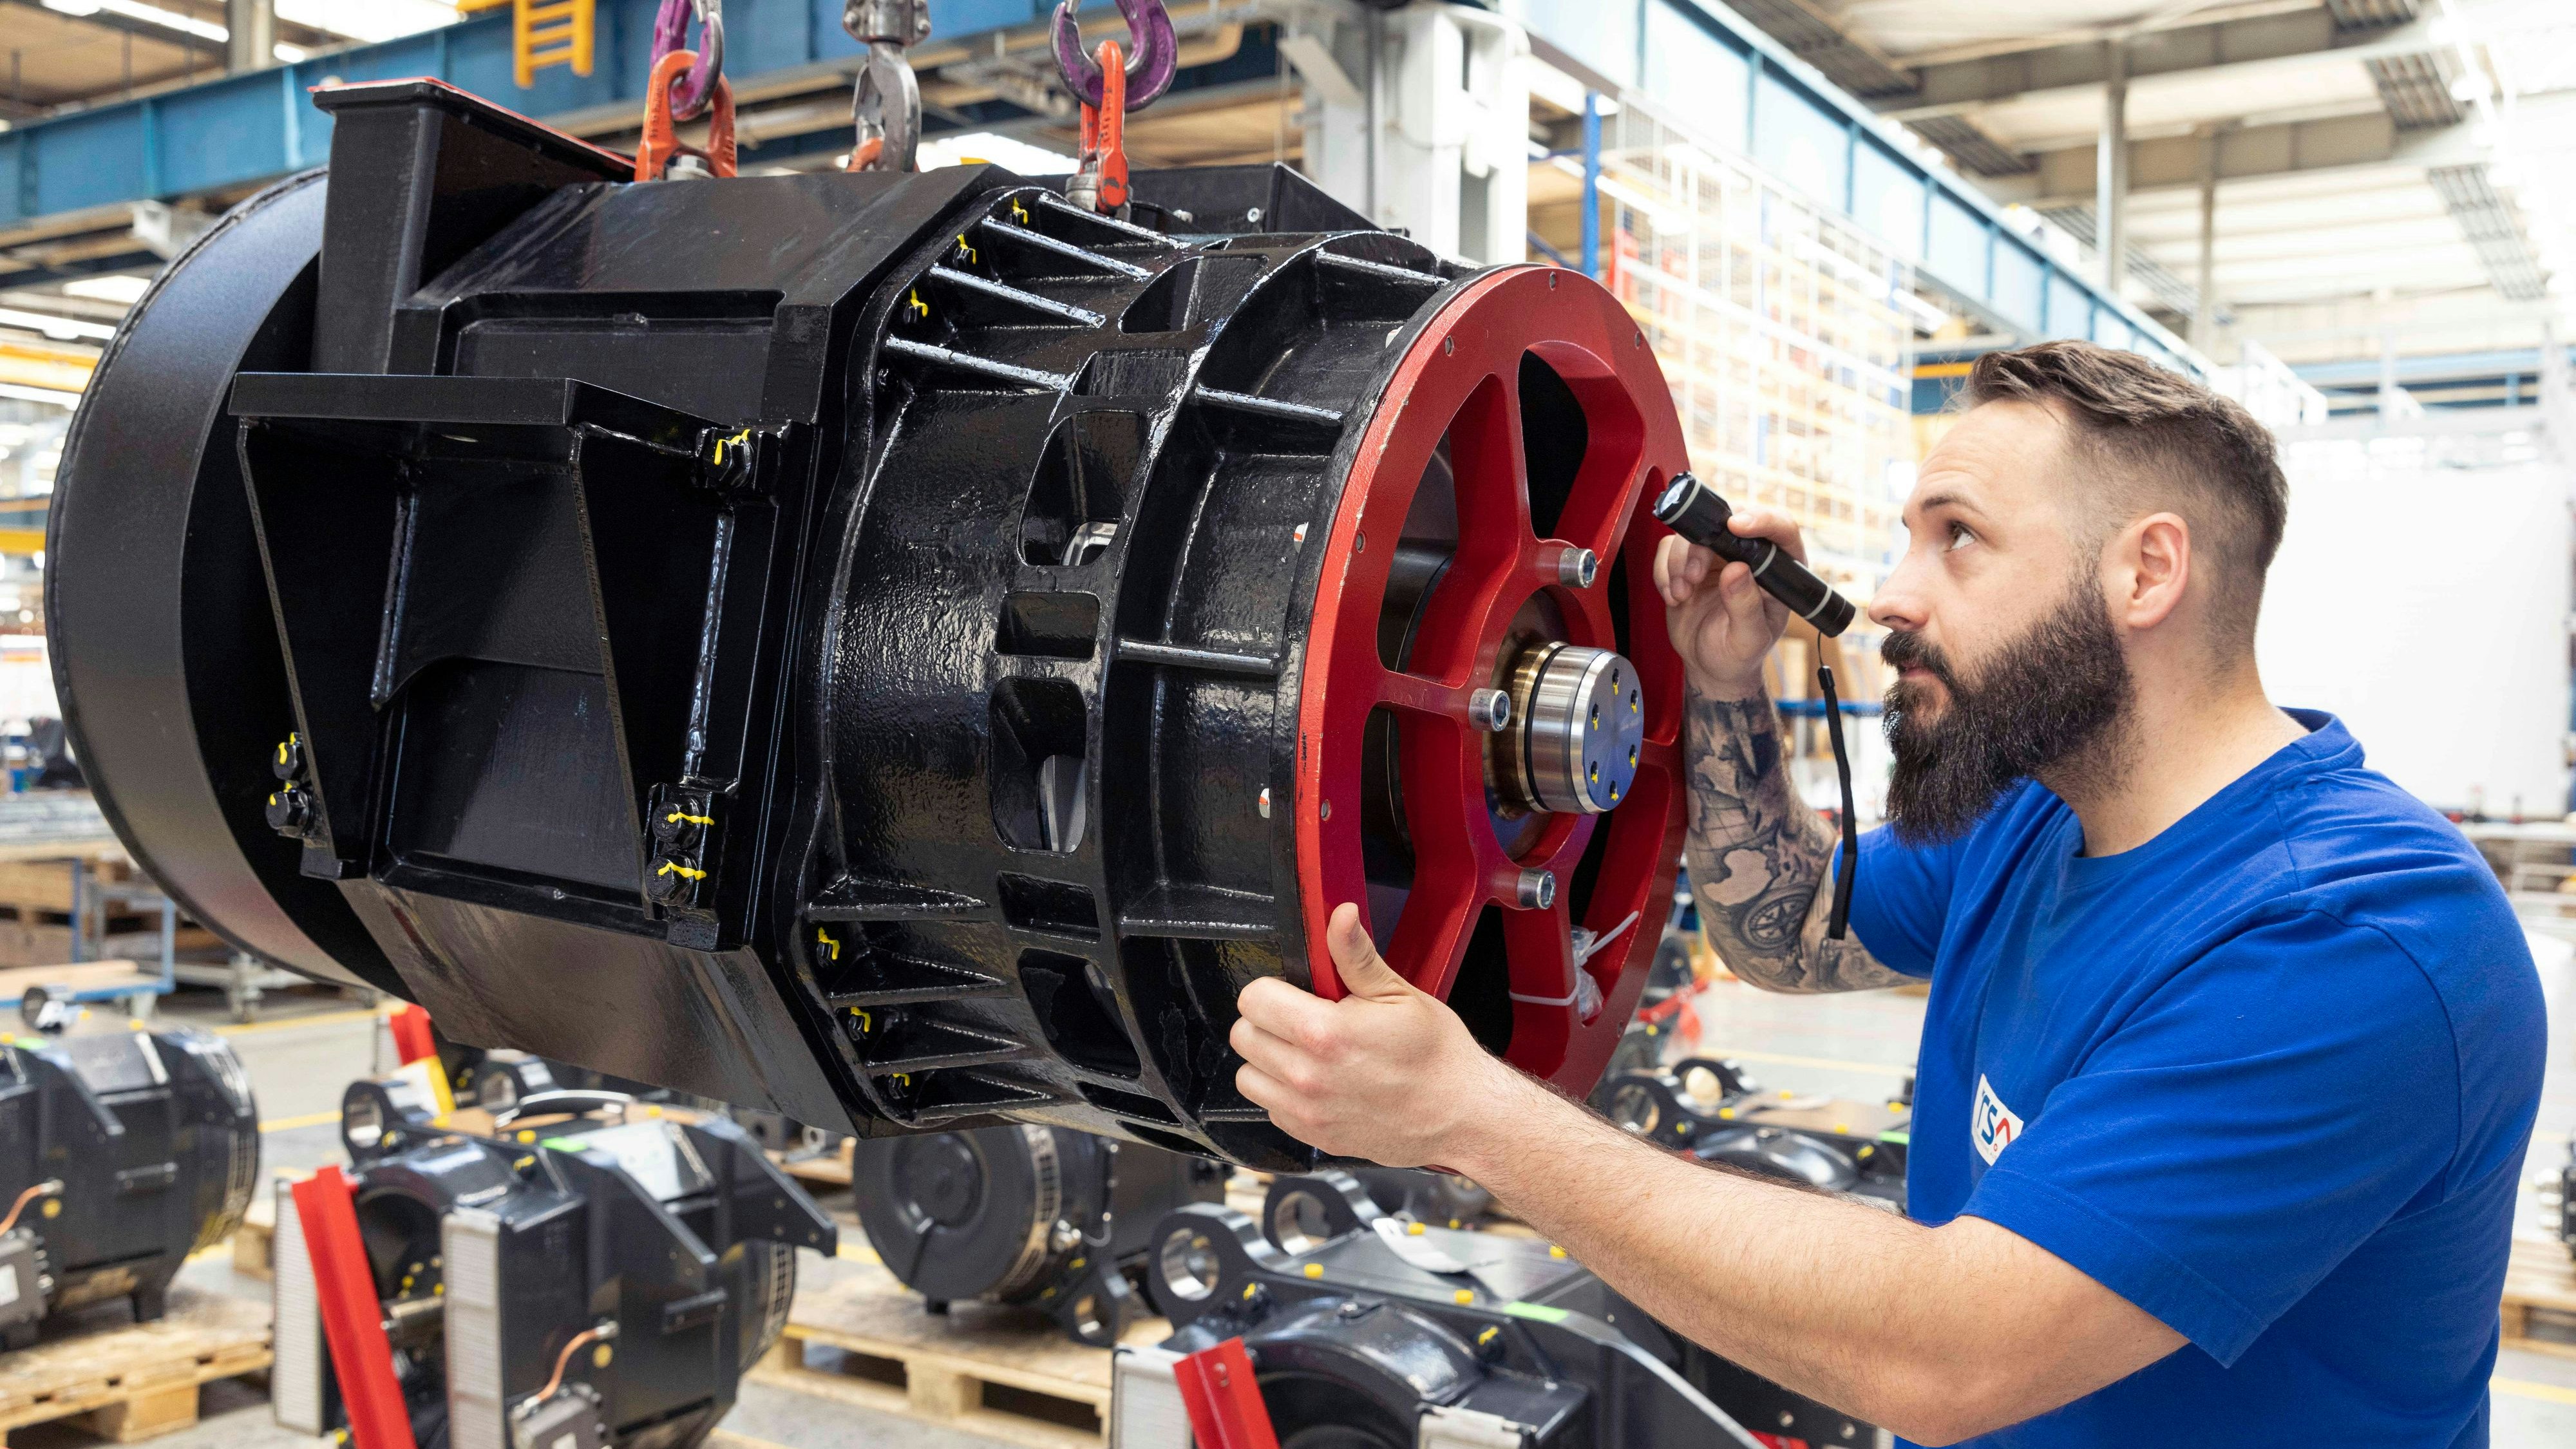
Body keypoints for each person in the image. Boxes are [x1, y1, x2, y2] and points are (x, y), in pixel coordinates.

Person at [1230, 341, 2547, 1446]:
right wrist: (1726, 680)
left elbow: (1946, 1354)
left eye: (1957, 538)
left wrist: (1471, 1114)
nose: (1892, 596)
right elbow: (1789, 931)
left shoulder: (2356, 939)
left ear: (2146, 572)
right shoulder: (2037, 810)